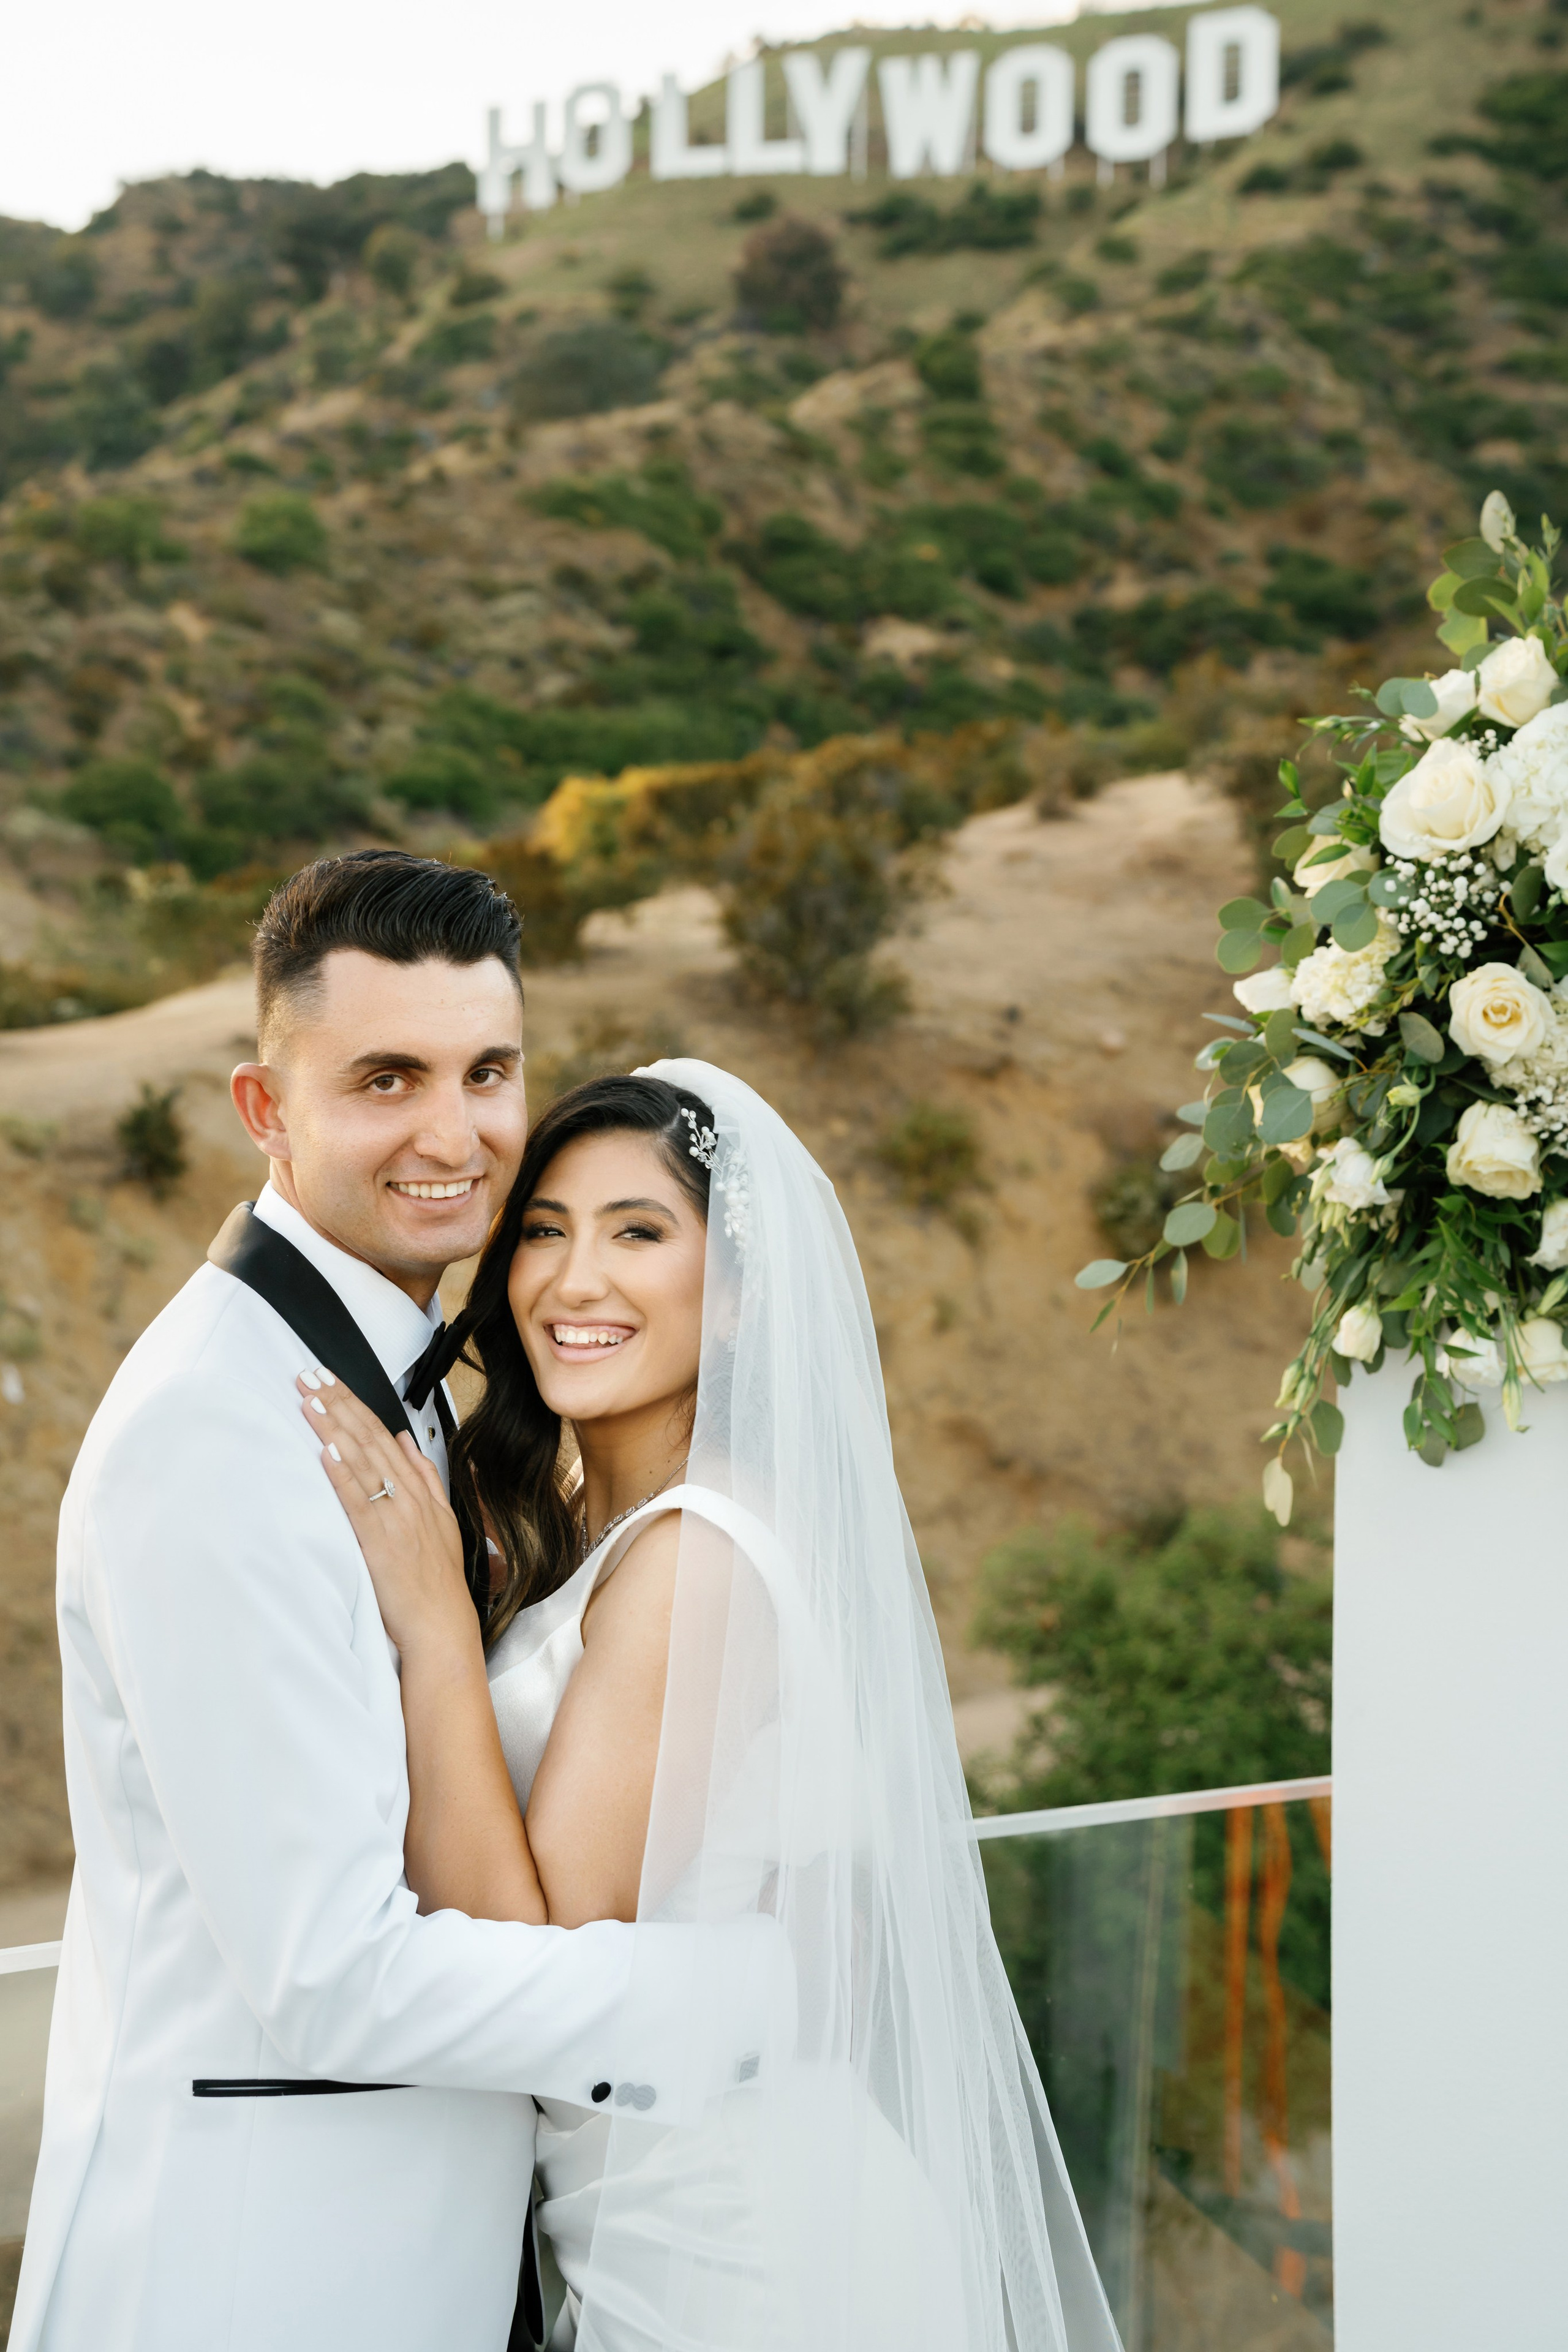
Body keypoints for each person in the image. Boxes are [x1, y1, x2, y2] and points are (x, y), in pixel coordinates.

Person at [12, 858, 780, 2352]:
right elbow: (328, 1970)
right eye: (385, 1078)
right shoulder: (212, 1432)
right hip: (260, 2279)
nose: (457, 1133)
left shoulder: (402, 1389)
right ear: (265, 1109)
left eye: (487, 1072)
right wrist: (718, 2001)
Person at [300, 1060, 1123, 2352]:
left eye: (637, 1234)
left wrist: (430, 1629)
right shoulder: (594, 1532)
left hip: (744, 2255)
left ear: (734, 1294)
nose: (573, 1282)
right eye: (543, 1234)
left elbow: (547, 1964)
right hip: (647, 2216)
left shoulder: (700, 1560)